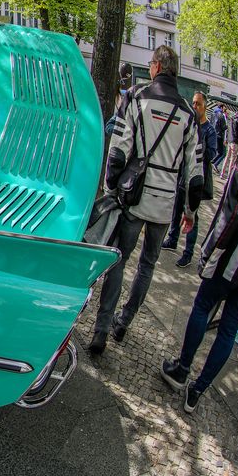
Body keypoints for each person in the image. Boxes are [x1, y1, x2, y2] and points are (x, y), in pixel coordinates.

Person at [89, 46, 204, 355]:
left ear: (155, 67)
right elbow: (195, 175)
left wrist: (112, 186)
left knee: (119, 258)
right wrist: (190, 213)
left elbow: (118, 150)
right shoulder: (188, 114)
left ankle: (101, 329)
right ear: (174, 71)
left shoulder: (137, 98)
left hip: (135, 197)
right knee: (148, 265)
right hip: (165, 204)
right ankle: (124, 321)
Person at [160, 132, 238, 413]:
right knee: (230, 326)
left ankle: (182, 370)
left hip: (237, 251)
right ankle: (198, 389)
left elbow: (234, 206)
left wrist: (210, 251)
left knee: (204, 305)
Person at [161, 92, 216, 267]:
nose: (194, 107)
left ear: (205, 106)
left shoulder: (209, 129)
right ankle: (172, 238)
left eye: (198, 104)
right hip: (181, 177)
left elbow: (213, 154)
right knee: (176, 210)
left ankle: (188, 252)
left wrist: (199, 148)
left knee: (192, 215)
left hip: (195, 180)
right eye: (193, 103)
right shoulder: (189, 125)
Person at [221, 105, 238, 179]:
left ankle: (222, 174)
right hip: (235, 141)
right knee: (233, 159)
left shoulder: (233, 117)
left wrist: (227, 138)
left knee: (227, 157)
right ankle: (229, 176)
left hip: (230, 140)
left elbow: (229, 128)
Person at [210, 104, 228, 170]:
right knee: (222, 153)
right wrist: (227, 126)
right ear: (222, 107)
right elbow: (223, 127)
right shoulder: (221, 115)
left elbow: (211, 122)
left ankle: (212, 162)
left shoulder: (213, 113)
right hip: (219, 135)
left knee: (214, 150)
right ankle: (214, 163)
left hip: (213, 133)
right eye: (224, 108)